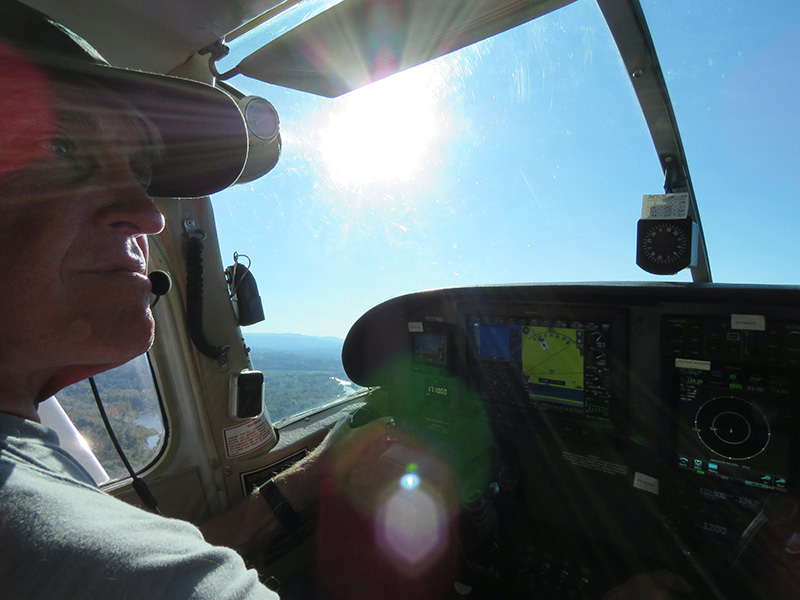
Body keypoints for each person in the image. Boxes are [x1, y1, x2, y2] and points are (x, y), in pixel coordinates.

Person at [0, 2, 693, 598]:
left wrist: (316, 472)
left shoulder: (43, 488)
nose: (149, 213)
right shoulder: (63, 549)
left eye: (139, 168)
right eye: (62, 149)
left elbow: (161, 556)